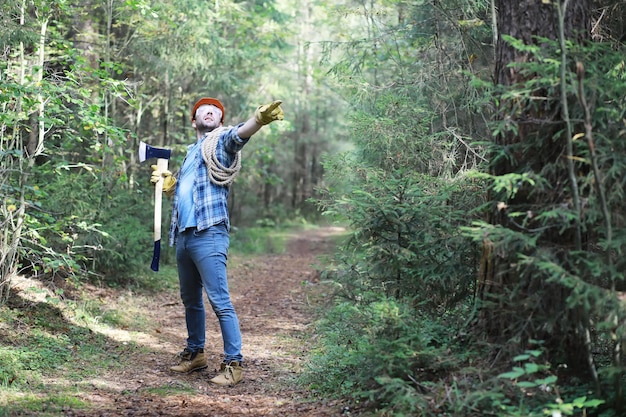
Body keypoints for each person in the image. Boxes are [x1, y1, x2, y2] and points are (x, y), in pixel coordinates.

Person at [150, 97, 284, 386]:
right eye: (203, 108)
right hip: (184, 235)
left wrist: (257, 121)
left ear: (220, 121)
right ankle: (196, 354)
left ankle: (234, 364)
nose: (209, 110)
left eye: (216, 110)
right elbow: (191, 192)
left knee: (220, 300)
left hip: (209, 232)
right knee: (190, 301)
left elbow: (238, 137)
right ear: (193, 119)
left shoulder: (220, 141)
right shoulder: (190, 153)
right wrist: (171, 186)